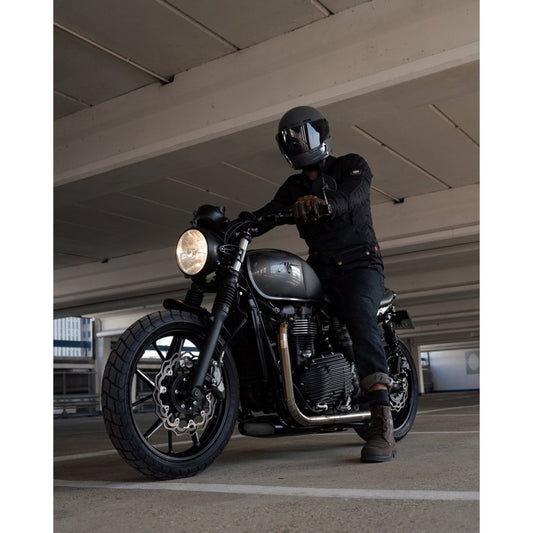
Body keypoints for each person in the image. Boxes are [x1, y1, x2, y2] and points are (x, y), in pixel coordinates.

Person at [248, 105, 396, 462]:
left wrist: (326, 202)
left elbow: (352, 195)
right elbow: (268, 213)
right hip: (321, 270)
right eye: (290, 139)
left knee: (359, 314)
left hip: (360, 264)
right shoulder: (294, 186)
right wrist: (233, 225)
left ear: (320, 133)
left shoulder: (351, 165)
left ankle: (382, 420)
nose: (297, 143)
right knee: (280, 312)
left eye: (302, 135)